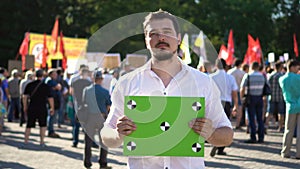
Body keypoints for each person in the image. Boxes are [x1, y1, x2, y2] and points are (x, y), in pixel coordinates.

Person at [100, 9, 233, 168]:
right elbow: (106, 135)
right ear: (146, 40)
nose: (161, 37)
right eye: (153, 33)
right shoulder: (127, 83)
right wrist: (118, 134)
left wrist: (210, 133)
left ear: (178, 39)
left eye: (167, 32)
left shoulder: (203, 82)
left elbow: (227, 135)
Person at [82, 70, 112, 169]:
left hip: (89, 116)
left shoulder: (86, 90)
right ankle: (102, 163)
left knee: (88, 141)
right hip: (101, 117)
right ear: (101, 79)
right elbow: (108, 106)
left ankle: (87, 162)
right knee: (103, 141)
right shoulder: (105, 91)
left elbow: (84, 103)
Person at [209, 58, 238, 157]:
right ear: (225, 66)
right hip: (226, 102)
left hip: (214, 102)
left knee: (213, 124)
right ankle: (220, 148)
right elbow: (234, 93)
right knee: (224, 125)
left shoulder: (211, 77)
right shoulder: (230, 78)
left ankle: (214, 141)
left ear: (216, 66)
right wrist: (235, 105)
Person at [23, 69, 54, 146]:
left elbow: (25, 97)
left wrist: (25, 106)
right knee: (42, 125)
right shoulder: (46, 86)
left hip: (32, 106)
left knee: (29, 124)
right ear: (43, 76)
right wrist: (52, 108)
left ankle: (26, 141)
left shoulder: (29, 85)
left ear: (35, 75)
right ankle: (42, 141)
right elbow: (50, 98)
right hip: (42, 107)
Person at [279, 59, 300, 159]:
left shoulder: (282, 79)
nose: (298, 69)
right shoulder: (298, 78)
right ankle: (299, 153)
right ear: (292, 67)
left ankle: (285, 151)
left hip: (290, 107)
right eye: (297, 67)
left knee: (288, 130)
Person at [240, 62, 266, 143]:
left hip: (250, 98)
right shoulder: (262, 76)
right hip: (260, 97)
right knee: (260, 118)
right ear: (258, 67)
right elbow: (266, 87)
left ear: (251, 67)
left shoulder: (248, 76)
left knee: (251, 118)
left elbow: (242, 88)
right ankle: (261, 137)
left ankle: (253, 137)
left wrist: (241, 98)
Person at [70, 68, 92, 147]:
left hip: (77, 104)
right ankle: (89, 142)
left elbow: (71, 92)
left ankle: (75, 141)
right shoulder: (89, 83)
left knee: (76, 124)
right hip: (87, 105)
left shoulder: (75, 82)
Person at [265, 61, 285, 132]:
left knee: (269, 112)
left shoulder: (270, 76)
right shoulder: (282, 76)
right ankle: (280, 127)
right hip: (280, 96)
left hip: (271, 96)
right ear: (280, 67)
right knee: (281, 113)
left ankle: (266, 126)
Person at [228, 59, 245, 129]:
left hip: (229, 91)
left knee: (229, 107)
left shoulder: (229, 72)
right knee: (239, 108)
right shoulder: (242, 73)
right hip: (238, 91)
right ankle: (237, 124)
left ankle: (229, 123)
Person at [45, 69, 61, 138]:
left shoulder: (52, 81)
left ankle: (51, 130)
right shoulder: (49, 80)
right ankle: (50, 131)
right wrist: (57, 87)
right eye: (54, 74)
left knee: (52, 116)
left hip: (54, 100)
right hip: (52, 101)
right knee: (51, 116)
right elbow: (59, 87)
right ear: (50, 74)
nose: (56, 75)